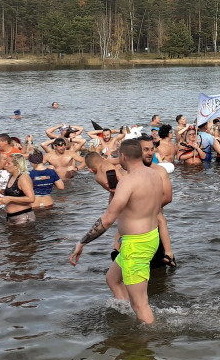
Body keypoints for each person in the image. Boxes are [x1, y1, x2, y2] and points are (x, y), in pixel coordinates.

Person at [70, 139, 167, 324]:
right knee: (112, 279)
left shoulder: (128, 182)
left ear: (122, 156)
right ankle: (130, 317)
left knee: (141, 303)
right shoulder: (154, 174)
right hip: (149, 236)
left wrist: (81, 243)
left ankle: (148, 341)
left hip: (136, 244)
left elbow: (107, 218)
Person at [2, 153, 36, 224]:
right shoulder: (11, 175)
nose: (6, 165)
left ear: (16, 166)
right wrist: (2, 191)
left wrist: (10, 198)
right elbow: (16, 192)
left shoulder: (23, 178)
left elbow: (31, 198)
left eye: (8, 163)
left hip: (23, 217)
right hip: (11, 216)